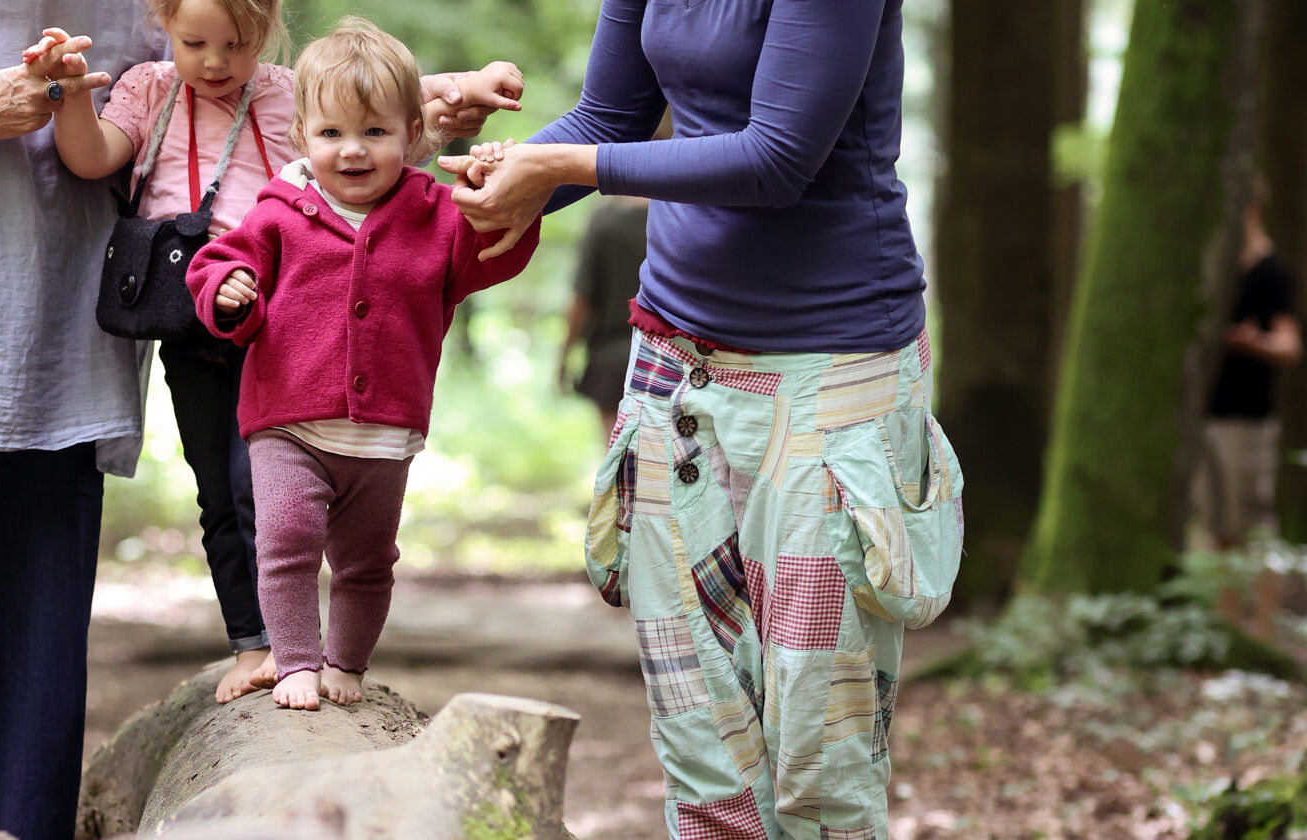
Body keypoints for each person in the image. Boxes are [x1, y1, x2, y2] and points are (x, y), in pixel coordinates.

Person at [0, 1, 523, 836]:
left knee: (29, 704)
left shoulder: (138, 9)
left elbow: (263, 82)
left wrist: (430, 100)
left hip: (52, 392)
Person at [443, 1, 962, 836]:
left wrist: (556, 166)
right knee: (703, 741)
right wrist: (471, 185)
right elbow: (609, 117)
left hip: (828, 373)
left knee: (817, 744)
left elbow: (777, 157)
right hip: (672, 369)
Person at [185, 17, 541, 711]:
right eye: (332, 134)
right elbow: (220, 266)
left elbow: (493, 253)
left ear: (413, 134)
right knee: (286, 539)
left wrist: (496, 192)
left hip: (385, 432)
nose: (352, 151)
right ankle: (293, 664)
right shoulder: (280, 211)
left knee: (367, 562)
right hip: (287, 421)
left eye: (374, 133)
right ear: (303, 137)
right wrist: (228, 296)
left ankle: (346, 662)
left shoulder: (436, 213)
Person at [1196, 177, 1299, 642]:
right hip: (1209, 417)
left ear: (1252, 208)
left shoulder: (1272, 272)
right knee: (1220, 530)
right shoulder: (1219, 272)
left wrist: (1254, 342)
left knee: (1255, 529)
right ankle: (1228, 634)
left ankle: (1261, 636)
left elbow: (1289, 344)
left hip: (1250, 420)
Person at [561, 194, 648, 439]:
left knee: (616, 457)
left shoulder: (605, 220)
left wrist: (563, 358)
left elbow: (582, 299)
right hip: (666, 356)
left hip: (610, 358)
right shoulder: (678, 213)